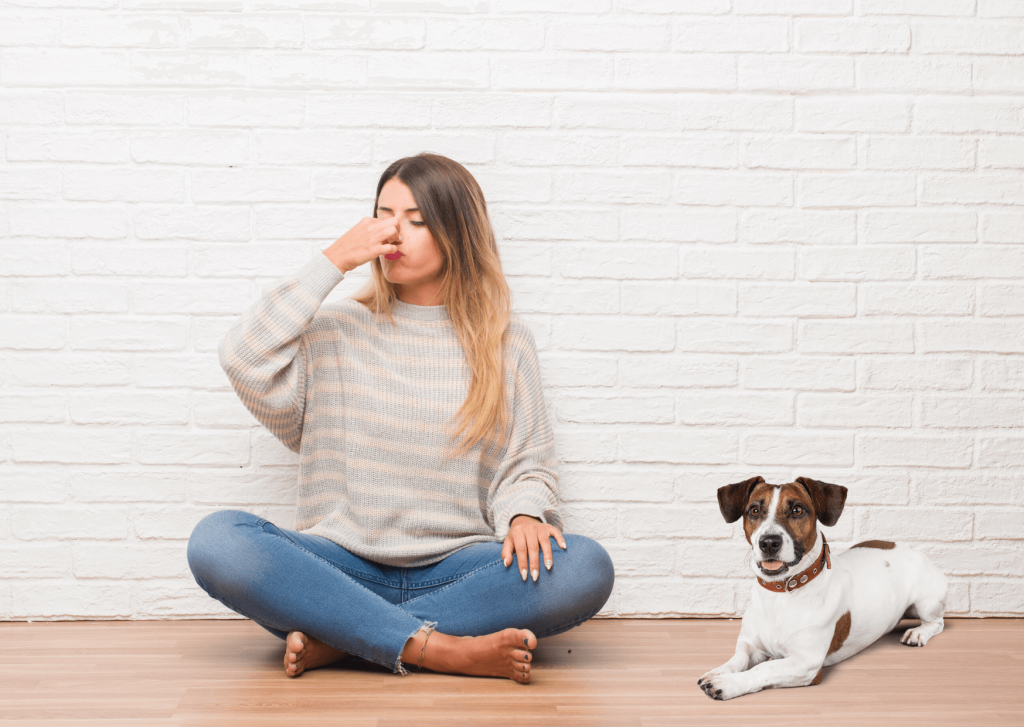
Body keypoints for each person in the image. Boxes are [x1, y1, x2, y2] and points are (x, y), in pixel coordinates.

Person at [186, 153, 615, 683]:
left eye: (415, 220)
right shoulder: (335, 330)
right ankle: (440, 650)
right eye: (383, 217)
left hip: (458, 569)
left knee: (586, 567)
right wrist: (334, 260)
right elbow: (243, 357)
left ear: (457, 233)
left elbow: (526, 463)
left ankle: (349, 639)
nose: (393, 234)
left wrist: (525, 515)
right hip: (337, 568)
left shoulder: (505, 342)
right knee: (218, 540)